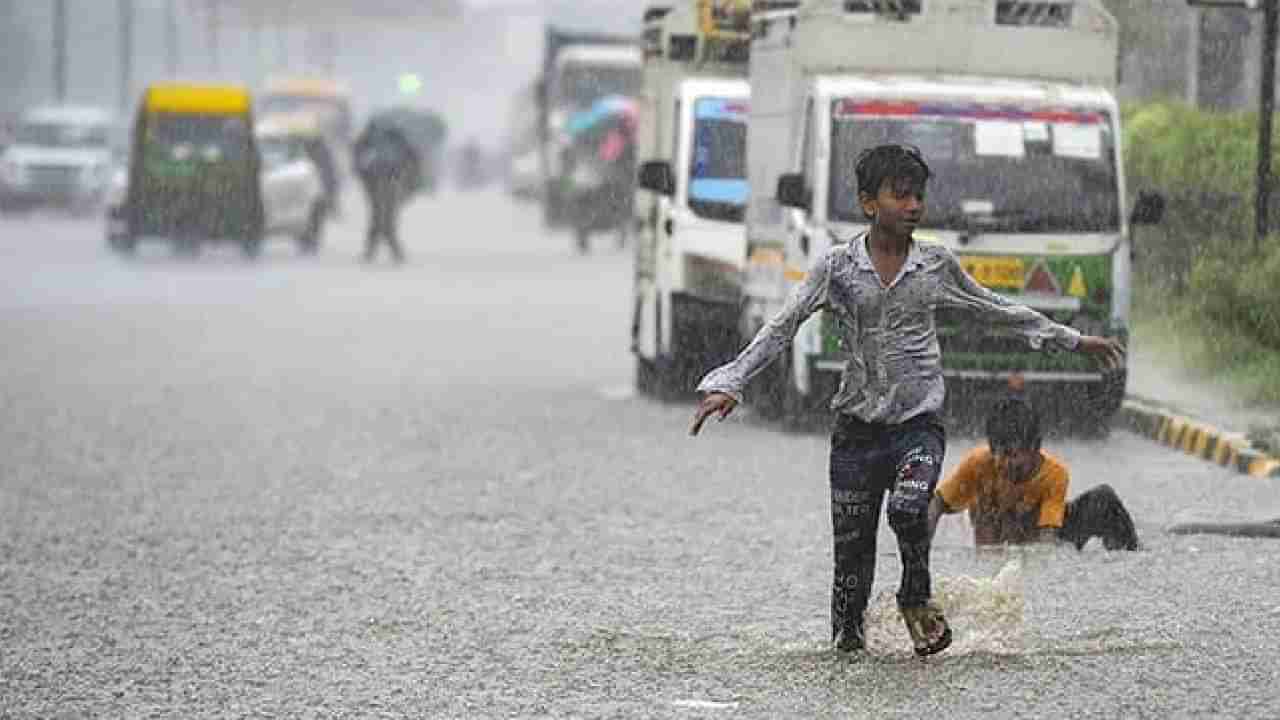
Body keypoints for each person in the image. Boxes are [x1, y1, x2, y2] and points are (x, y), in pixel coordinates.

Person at [688, 144, 1124, 658]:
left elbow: (995, 307)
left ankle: (915, 594)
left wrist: (1073, 340)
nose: (914, 205)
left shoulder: (935, 265)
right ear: (869, 203)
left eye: (919, 195)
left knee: (911, 505)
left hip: (917, 426)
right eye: (901, 195)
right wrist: (731, 381)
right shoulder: (837, 268)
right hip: (855, 433)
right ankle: (846, 654)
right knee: (851, 565)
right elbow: (784, 326)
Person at [930, 395, 1141, 551]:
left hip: (1045, 529)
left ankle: (1130, 553)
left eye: (1016, 456)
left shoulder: (1054, 474)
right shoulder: (978, 465)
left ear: (1035, 448)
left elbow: (1047, 541)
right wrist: (918, 549)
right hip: (996, 534)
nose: (1009, 465)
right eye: (1002, 455)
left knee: (1103, 498)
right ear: (992, 450)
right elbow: (936, 504)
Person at [353, 123, 419, 263]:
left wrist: (362, 176)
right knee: (386, 214)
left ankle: (374, 250)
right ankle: (391, 249)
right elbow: (413, 158)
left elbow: (357, 159)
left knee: (378, 214)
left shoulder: (369, 137)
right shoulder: (397, 136)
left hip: (374, 180)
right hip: (391, 179)